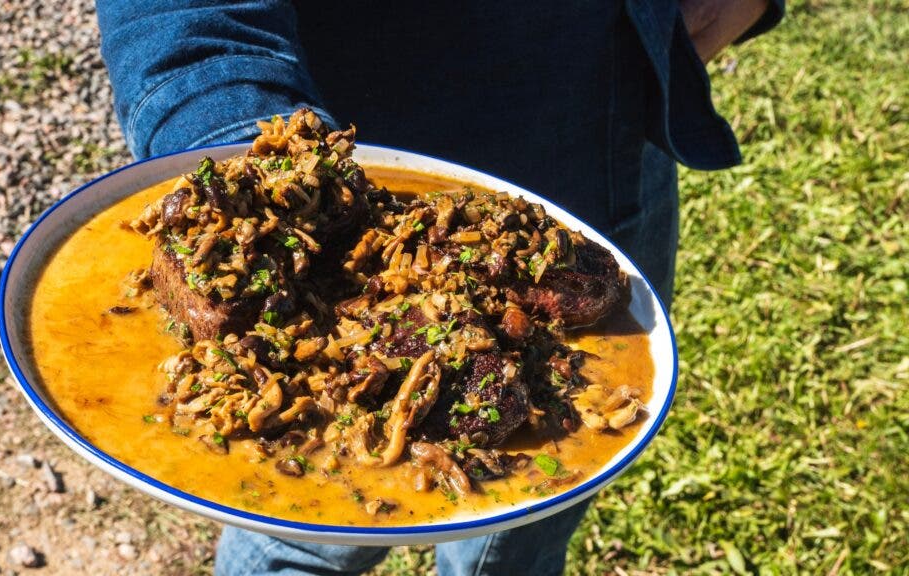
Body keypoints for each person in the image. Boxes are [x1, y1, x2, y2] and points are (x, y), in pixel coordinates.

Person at [95, 2, 784, 574]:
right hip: (349, 187)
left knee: (519, 528)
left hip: (598, 168)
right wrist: (264, 182)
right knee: (298, 536)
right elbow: (190, 20)